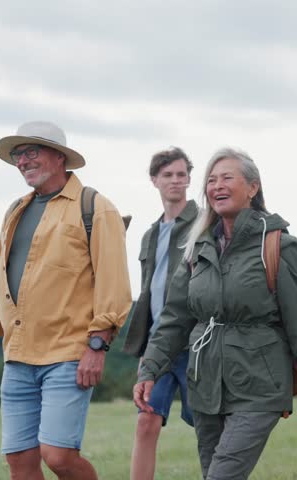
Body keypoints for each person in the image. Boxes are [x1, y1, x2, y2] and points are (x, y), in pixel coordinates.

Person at [134, 148, 297, 480]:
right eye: (211, 180)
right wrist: (150, 369)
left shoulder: (278, 245)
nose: (217, 186)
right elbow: (174, 319)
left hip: (260, 386)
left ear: (253, 187)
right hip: (206, 386)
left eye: (227, 178)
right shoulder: (197, 247)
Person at [0, 121, 132, 480]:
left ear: (59, 157)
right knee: (20, 464)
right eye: (18, 155)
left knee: (59, 457)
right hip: (17, 357)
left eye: (31, 152)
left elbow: (114, 283)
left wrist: (97, 346)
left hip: (68, 354)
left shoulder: (95, 207)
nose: (22, 161)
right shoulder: (15, 211)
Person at [122, 146, 198, 479]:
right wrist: (146, 349)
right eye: (168, 175)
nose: (176, 180)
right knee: (145, 420)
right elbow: (147, 294)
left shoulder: (204, 224)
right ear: (154, 180)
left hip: (197, 342)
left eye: (182, 174)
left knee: (210, 426)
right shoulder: (149, 235)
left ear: (189, 179)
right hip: (158, 345)